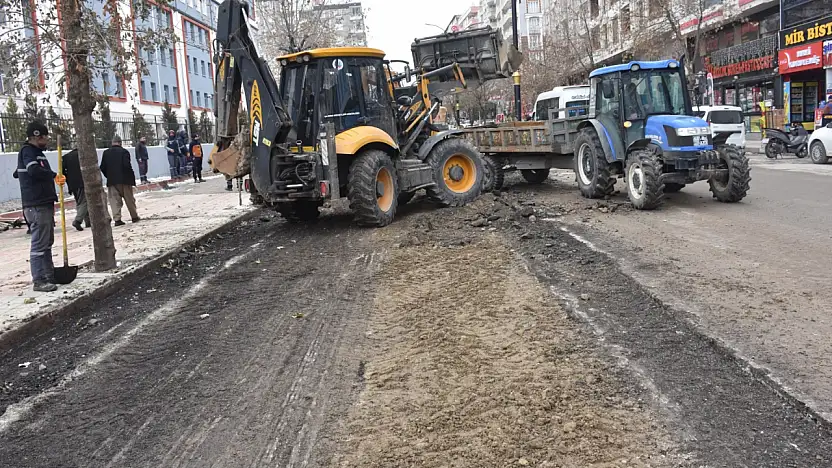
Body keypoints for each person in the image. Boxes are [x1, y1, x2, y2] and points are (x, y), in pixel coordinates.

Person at [16, 121, 60, 292]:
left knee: (47, 242)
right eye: (45, 136)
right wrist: (53, 175)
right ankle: (39, 279)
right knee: (39, 244)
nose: (47, 139)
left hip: (43, 202)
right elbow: (33, 170)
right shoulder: (28, 152)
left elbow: (19, 172)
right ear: (36, 136)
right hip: (36, 204)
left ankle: (49, 275)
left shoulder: (36, 153)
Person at [100, 135, 140, 226]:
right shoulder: (124, 152)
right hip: (125, 180)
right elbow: (127, 166)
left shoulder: (106, 153)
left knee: (114, 200)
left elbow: (102, 167)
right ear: (120, 143)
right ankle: (134, 216)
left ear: (112, 143)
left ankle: (117, 219)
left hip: (112, 181)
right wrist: (131, 178)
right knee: (129, 199)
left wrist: (109, 176)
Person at [62, 148, 90, 231]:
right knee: (84, 202)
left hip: (72, 184)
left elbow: (62, 172)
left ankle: (88, 221)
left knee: (80, 202)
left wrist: (68, 182)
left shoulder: (66, 157)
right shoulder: (83, 155)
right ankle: (78, 221)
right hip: (82, 182)